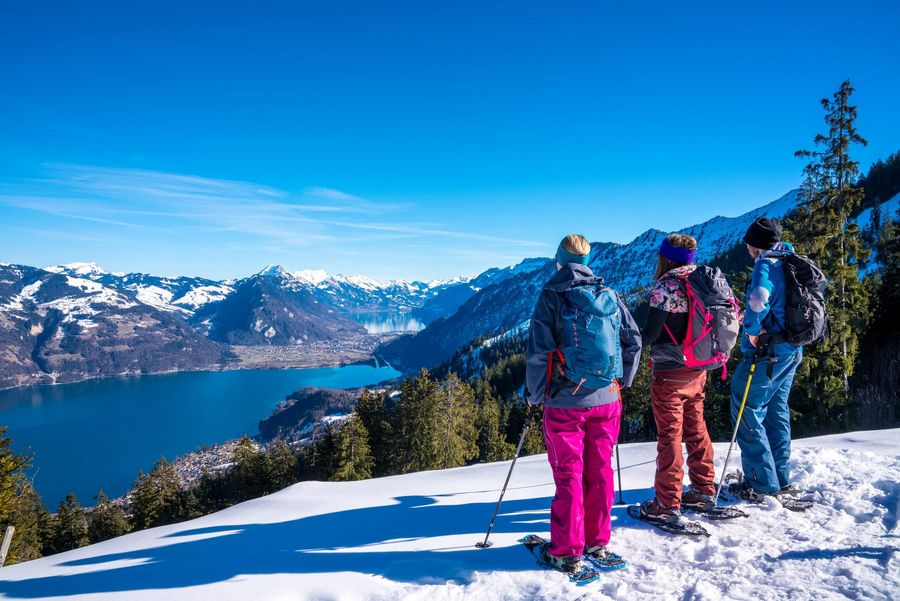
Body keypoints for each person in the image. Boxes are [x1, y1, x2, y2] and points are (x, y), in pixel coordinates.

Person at [525, 234, 642, 574]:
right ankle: (598, 542)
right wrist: (623, 380)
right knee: (600, 469)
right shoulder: (608, 294)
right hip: (607, 398)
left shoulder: (552, 296)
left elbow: (539, 352)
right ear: (587, 261)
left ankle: (566, 550)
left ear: (558, 259)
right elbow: (632, 339)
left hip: (565, 401)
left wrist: (535, 395)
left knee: (569, 473)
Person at [638, 233, 718, 523]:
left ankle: (667, 503)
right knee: (697, 429)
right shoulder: (704, 281)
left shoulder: (666, 288)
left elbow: (650, 334)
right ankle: (704, 490)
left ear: (666, 256)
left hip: (669, 373)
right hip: (698, 369)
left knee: (670, 435)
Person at [730, 217, 803, 497]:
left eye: (749, 243)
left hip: (767, 351)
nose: (748, 248)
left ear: (756, 244)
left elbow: (759, 298)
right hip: (791, 347)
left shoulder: (766, 262)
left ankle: (760, 483)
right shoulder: (789, 257)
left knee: (746, 408)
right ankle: (780, 478)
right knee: (776, 411)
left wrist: (750, 329)